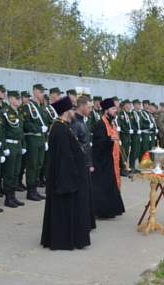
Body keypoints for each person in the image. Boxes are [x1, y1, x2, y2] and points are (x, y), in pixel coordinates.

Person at [41, 96, 91, 250]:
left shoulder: (62, 126)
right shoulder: (61, 129)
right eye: (70, 110)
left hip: (67, 176)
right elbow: (64, 159)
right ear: (65, 112)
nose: (72, 112)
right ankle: (65, 239)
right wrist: (70, 181)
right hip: (65, 179)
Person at [92, 98, 125, 219]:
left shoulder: (112, 123)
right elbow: (96, 143)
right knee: (104, 186)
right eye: (113, 109)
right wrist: (109, 140)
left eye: (115, 109)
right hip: (103, 160)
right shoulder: (100, 124)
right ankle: (104, 211)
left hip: (112, 159)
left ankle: (113, 209)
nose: (115, 111)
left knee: (112, 185)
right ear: (106, 110)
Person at [70, 95, 96, 230]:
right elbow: (77, 147)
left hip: (85, 163)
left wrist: (90, 163)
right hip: (79, 165)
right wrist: (85, 164)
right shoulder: (74, 123)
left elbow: (86, 146)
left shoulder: (82, 121)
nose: (91, 110)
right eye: (88, 107)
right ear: (81, 107)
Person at [22, 84, 49, 201]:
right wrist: (38, 129)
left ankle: (35, 188)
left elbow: (47, 124)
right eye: (41, 92)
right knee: (32, 164)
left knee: (39, 164)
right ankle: (31, 190)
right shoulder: (28, 106)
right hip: (32, 138)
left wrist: (46, 138)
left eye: (43, 92)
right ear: (35, 92)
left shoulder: (42, 107)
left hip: (41, 138)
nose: (42, 94)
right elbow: (26, 124)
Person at [2, 91, 26, 208]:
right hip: (10, 145)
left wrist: (23, 146)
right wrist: (5, 148)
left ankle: (13, 195)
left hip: (18, 145)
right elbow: (3, 132)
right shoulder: (5, 113)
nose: (18, 100)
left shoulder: (19, 113)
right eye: (16, 99)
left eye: (19, 98)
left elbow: (21, 131)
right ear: (10, 99)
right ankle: (8, 198)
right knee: (9, 173)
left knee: (16, 172)